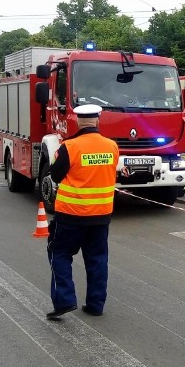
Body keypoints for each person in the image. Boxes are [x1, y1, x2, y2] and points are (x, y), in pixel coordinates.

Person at [46, 104, 121, 320]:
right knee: (97, 259)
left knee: (59, 253)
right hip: (100, 216)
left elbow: (56, 176)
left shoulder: (69, 147)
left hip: (70, 215)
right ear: (98, 120)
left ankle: (65, 301)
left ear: (78, 121)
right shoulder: (112, 147)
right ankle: (96, 304)